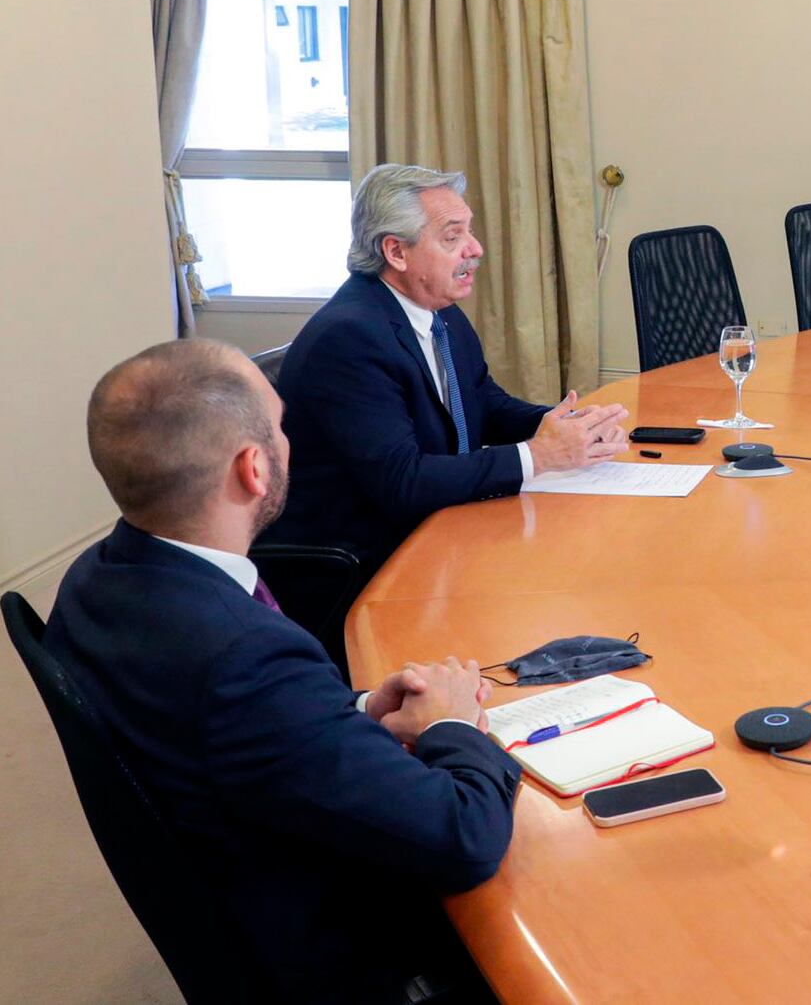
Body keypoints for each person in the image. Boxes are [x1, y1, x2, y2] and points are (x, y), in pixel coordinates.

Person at [44, 340, 521, 1003]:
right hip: (343, 952)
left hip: (244, 861)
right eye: (282, 428)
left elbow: (249, 732)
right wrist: (452, 722)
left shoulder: (93, 580)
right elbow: (465, 838)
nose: (291, 443)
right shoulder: (245, 660)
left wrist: (356, 714)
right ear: (254, 469)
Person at [264, 164, 629, 575]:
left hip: (436, 531)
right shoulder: (349, 339)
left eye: (469, 232)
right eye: (453, 236)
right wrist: (538, 455)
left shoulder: (438, 310)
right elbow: (403, 481)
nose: (475, 249)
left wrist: (566, 425)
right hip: (364, 563)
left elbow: (483, 403)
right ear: (396, 252)